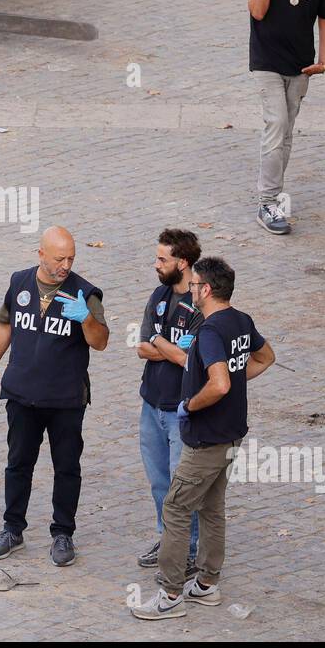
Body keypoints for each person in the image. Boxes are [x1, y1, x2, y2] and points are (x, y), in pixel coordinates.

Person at [132, 257, 275, 621]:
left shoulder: (210, 332)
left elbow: (221, 383)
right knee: (212, 508)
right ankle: (208, 584)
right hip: (231, 435)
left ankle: (170, 593)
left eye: (194, 286)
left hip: (206, 439)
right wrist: (235, 381)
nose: (191, 290)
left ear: (206, 290)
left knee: (177, 508)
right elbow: (265, 356)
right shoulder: (241, 321)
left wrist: (190, 405)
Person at [0, 226, 109, 567]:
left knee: (66, 466)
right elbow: (4, 325)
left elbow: (101, 341)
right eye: (58, 258)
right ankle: (12, 529)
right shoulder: (20, 282)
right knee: (18, 463)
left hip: (65, 399)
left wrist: (86, 320)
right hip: (22, 395)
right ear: (41, 255)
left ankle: (63, 533)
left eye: (71, 258)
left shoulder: (85, 293)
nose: (65, 265)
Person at [246, 0, 325, 236]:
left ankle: (272, 197)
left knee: (286, 132)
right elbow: (257, 11)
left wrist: (323, 59)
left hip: (301, 65)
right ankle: (267, 201)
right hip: (266, 62)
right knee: (277, 123)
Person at [135, 228, 202, 571]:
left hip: (181, 411)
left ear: (183, 262)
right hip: (151, 405)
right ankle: (168, 539)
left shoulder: (200, 304)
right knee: (159, 481)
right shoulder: (158, 296)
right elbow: (141, 347)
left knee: (181, 486)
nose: (156, 264)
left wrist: (159, 345)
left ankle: (189, 549)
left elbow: (188, 360)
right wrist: (165, 346)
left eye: (162, 259)